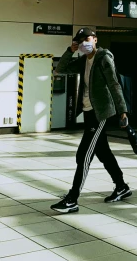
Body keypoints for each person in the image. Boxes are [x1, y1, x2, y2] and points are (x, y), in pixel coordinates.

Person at [51, 27, 132, 213]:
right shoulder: (82, 61)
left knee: (84, 155)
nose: (84, 43)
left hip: (100, 112)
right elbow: (61, 69)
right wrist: (69, 51)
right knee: (103, 153)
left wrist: (122, 111)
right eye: (80, 41)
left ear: (95, 39)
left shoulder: (104, 58)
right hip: (88, 111)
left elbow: (114, 83)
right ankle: (122, 186)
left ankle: (72, 199)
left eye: (87, 39)